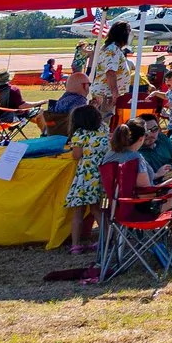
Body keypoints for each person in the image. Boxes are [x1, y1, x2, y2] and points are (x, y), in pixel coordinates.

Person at [108, 119, 172, 227]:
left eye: (154, 129)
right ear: (141, 138)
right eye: (147, 132)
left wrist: (157, 175)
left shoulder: (110, 157)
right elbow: (147, 194)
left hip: (119, 208)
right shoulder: (136, 159)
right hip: (146, 209)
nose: (150, 134)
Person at [63, 103, 110, 253]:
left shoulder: (80, 134)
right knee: (98, 209)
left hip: (85, 176)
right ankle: (106, 240)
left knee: (78, 211)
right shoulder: (104, 129)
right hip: (102, 175)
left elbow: (76, 155)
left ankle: (75, 244)